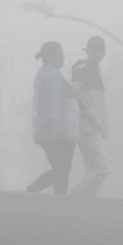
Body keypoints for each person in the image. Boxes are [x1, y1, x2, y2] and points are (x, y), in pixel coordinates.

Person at [27, 41, 79, 195]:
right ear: (51, 56)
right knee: (61, 170)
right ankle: (31, 191)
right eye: (61, 53)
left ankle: (59, 203)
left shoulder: (45, 73)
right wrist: (56, 126)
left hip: (47, 128)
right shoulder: (52, 74)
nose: (63, 57)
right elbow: (53, 101)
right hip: (54, 129)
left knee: (61, 170)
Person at [71, 36, 109, 197]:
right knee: (101, 170)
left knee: (92, 170)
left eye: (101, 52)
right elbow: (74, 92)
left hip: (93, 127)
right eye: (95, 51)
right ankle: (74, 196)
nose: (99, 55)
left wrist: (103, 125)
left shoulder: (92, 70)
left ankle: (87, 202)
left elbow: (99, 103)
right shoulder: (85, 70)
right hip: (87, 127)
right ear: (89, 51)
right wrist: (88, 114)